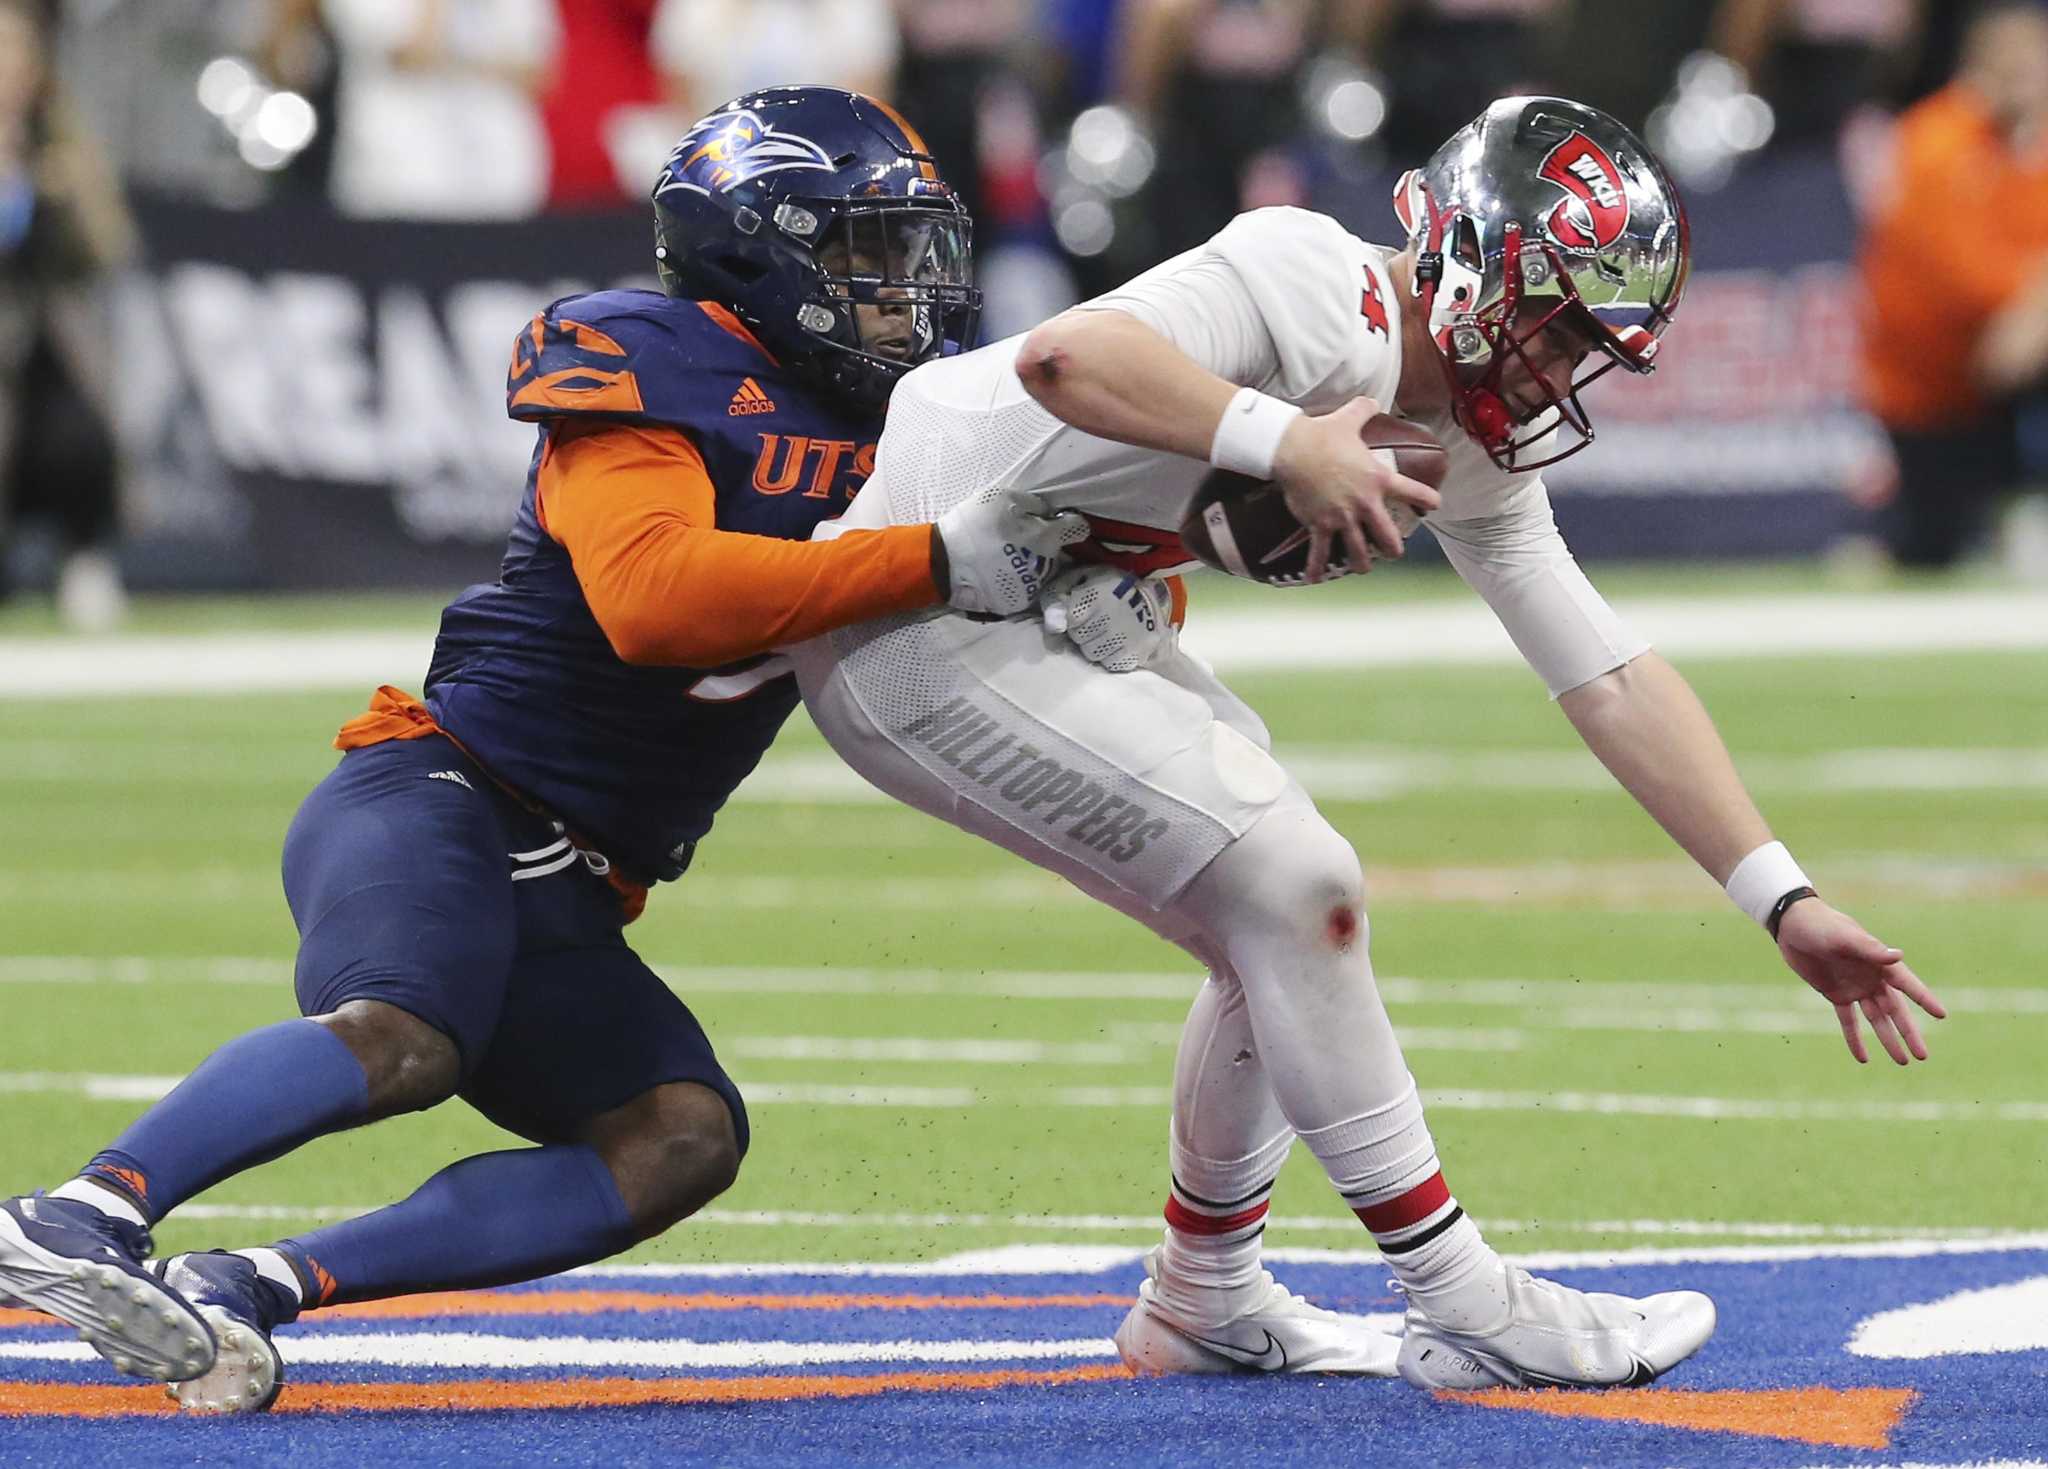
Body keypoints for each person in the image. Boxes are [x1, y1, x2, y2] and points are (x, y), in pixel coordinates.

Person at [788, 94, 1947, 1389]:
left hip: (1056, 603)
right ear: (1470, 257)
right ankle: (1459, 1299)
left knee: (1279, 919)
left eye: (1589, 349)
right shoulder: (1302, 278)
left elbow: (1607, 674)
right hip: (912, 603)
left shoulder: (1471, 436)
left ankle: (1202, 1297)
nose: (1561, 373)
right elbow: (1062, 361)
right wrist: (1282, 439)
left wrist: (1779, 895)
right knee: (1297, 883)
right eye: (1557, 327)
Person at [0, 85, 1081, 1413]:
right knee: (404, 1034)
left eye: (913, 254)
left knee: (678, 1136)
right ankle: (83, 1210)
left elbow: (1032, 556)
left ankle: (257, 1284)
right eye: (865, 255)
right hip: (443, 793)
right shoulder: (649, 358)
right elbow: (654, 598)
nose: (903, 292)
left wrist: (1101, 581)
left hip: (569, 879)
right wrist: (926, 559)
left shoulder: (907, 430)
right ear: (760, 246)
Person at [1857, 0, 2048, 568]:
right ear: (1974, 66)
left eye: (2030, 57)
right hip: (1933, 384)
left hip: (2018, 353)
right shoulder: (1934, 139)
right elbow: (1955, 273)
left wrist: (2038, 306)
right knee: (1932, 550)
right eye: (2003, 58)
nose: (2019, 72)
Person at [0, 0, 134, 630]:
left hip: (43, 359)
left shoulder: (63, 148)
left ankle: (85, 559)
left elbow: (109, 246)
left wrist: (59, 196)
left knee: (84, 433)